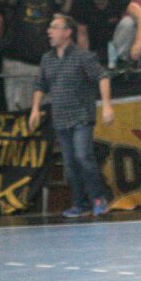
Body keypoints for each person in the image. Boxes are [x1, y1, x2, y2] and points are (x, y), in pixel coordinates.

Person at [29, 15, 114, 217]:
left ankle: (98, 198)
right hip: (60, 118)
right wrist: (35, 109)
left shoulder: (83, 56)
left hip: (81, 115)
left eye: (54, 27)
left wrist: (106, 105)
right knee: (69, 163)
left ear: (67, 32)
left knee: (83, 157)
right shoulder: (47, 59)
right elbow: (40, 85)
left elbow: (102, 77)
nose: (49, 31)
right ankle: (79, 202)